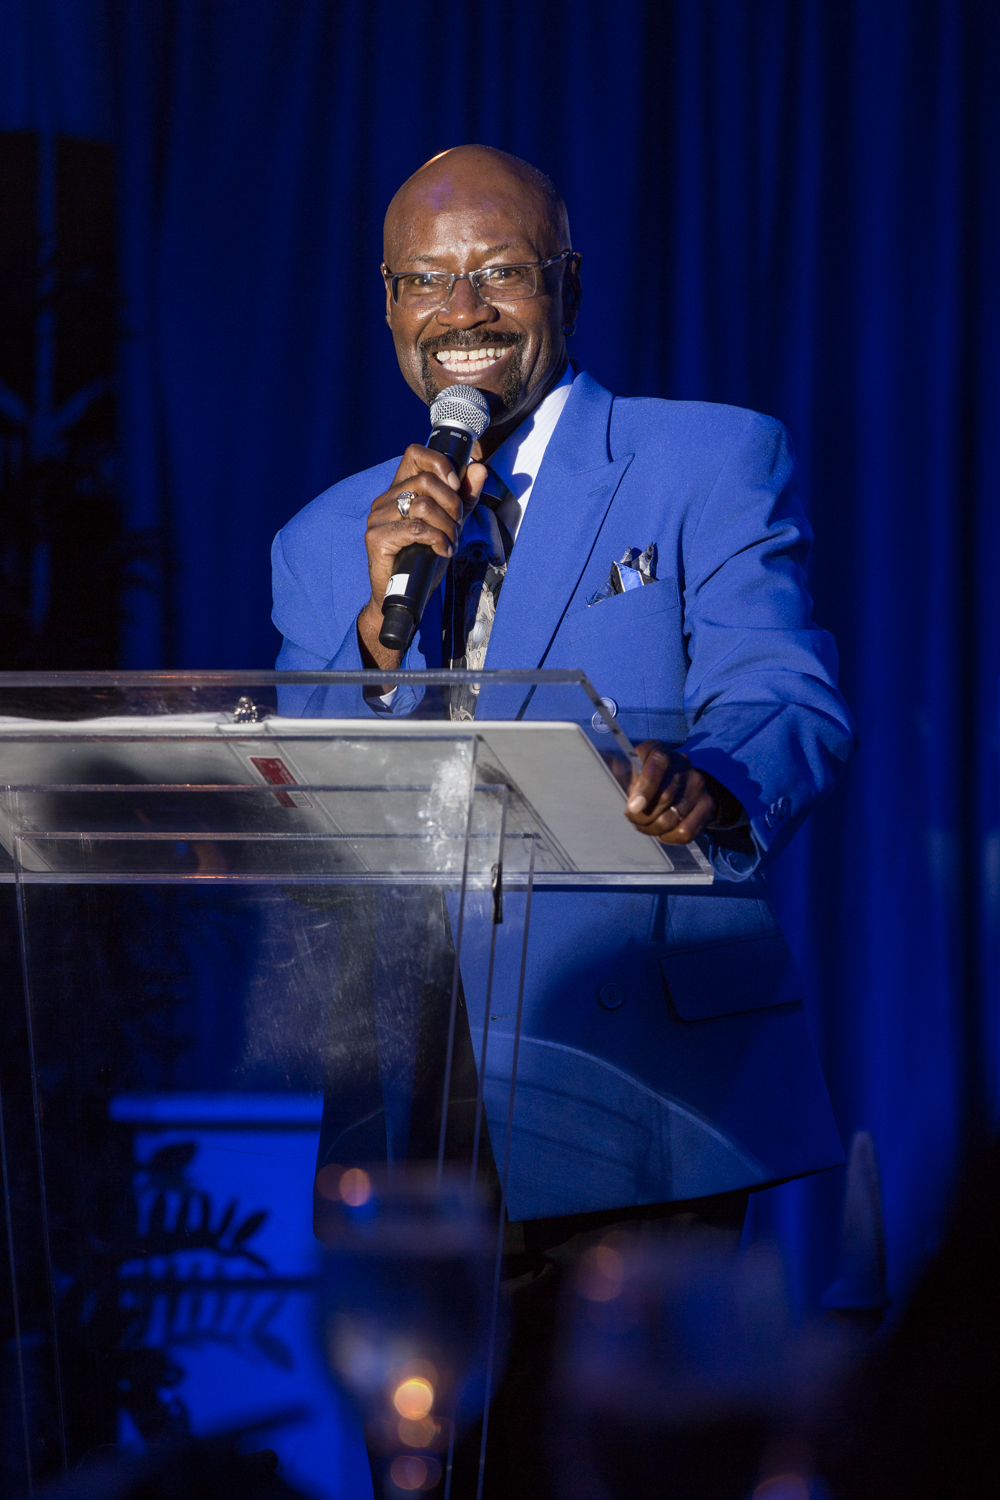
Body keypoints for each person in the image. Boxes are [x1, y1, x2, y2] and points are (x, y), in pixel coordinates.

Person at [271, 145, 856, 1498]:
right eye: (427, 279)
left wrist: (713, 778)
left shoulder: (706, 457)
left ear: (568, 286)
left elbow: (784, 698)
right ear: (387, 304)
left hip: (627, 1076)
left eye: (500, 271)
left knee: (611, 1471)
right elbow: (318, 814)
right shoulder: (327, 540)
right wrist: (379, 642)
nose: (462, 309)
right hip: (406, 1098)